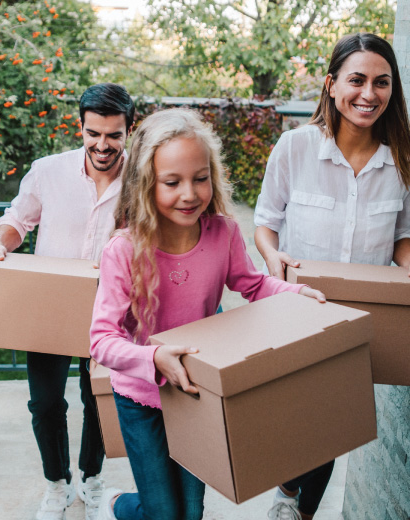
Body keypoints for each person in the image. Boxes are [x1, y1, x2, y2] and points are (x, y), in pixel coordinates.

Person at [88, 108, 326, 520]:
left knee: (190, 513)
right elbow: (102, 341)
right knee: (162, 513)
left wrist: (296, 292)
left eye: (200, 178)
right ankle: (118, 505)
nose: (190, 193)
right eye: (172, 182)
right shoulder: (123, 250)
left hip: (195, 394)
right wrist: (154, 358)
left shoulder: (223, 233)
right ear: (147, 184)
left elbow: (252, 284)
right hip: (142, 396)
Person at [254, 33, 410, 520]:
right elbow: (265, 222)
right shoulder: (295, 149)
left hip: (357, 317)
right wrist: (272, 258)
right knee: (295, 417)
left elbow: (402, 236)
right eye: (357, 80)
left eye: (381, 82)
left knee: (332, 423)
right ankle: (287, 489)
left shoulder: (403, 164)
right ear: (331, 85)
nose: (368, 93)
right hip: (294, 309)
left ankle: (296, 510)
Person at [0, 83, 135, 520]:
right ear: (81, 127)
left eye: (113, 135)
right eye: (93, 134)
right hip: (51, 303)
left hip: (109, 307)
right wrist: (2, 243)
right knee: (45, 402)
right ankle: (57, 484)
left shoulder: (141, 180)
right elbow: (18, 218)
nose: (102, 145)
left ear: (129, 130)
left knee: (97, 401)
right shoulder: (48, 171)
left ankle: (91, 480)